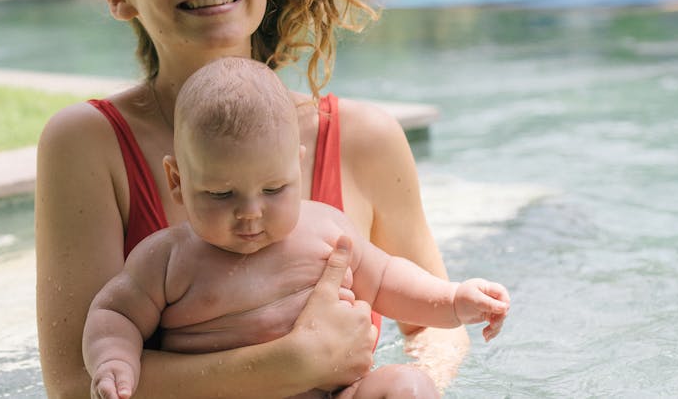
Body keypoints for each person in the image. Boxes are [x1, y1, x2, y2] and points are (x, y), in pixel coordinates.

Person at [36, 0, 471, 398]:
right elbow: (75, 388)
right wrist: (293, 362)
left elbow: (434, 325)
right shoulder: (89, 143)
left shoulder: (365, 139)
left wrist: (408, 387)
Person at [81, 57, 510, 399]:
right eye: (221, 195)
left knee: (409, 388)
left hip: (337, 392)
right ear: (177, 181)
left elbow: (387, 279)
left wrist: (452, 299)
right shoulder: (166, 259)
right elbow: (114, 312)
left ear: (297, 169)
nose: (250, 213)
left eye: (273, 189)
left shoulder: (325, 230)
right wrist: (114, 359)